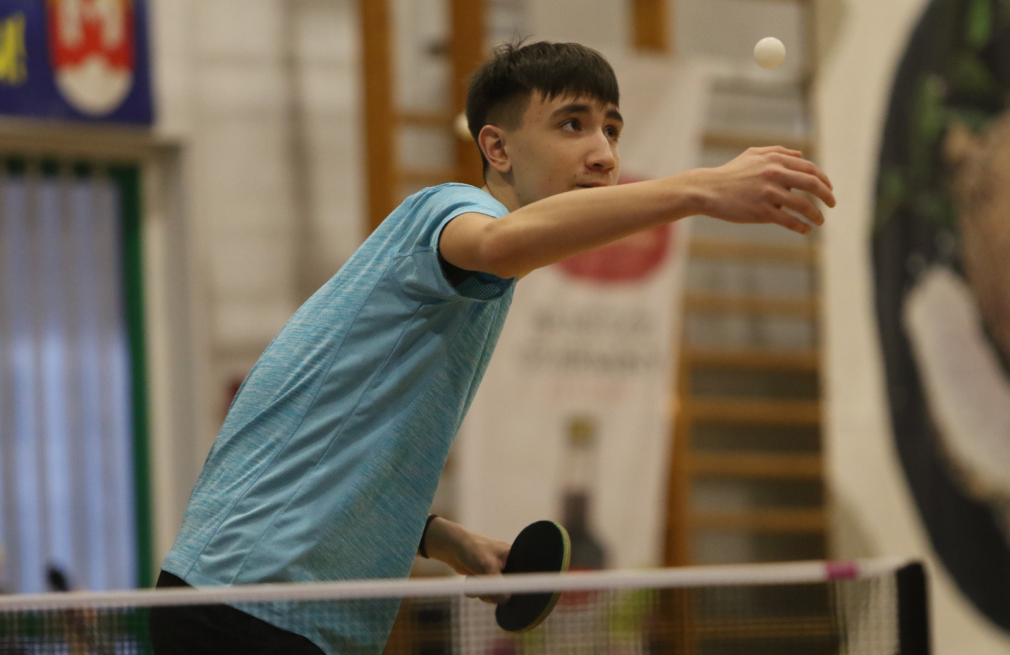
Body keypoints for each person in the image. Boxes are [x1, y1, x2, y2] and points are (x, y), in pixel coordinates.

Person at [150, 40, 835, 654]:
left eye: (612, 129)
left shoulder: (465, 286)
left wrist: (438, 536)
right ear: (498, 149)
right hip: (248, 603)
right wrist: (700, 187)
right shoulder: (447, 213)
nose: (604, 153)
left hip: (289, 612)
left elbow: (334, 435)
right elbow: (500, 243)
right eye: (572, 124)